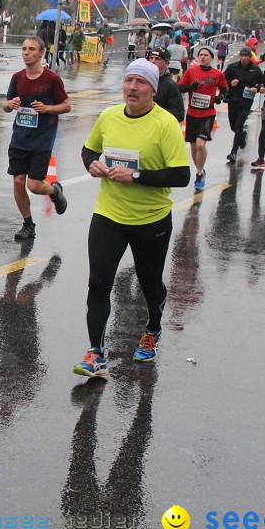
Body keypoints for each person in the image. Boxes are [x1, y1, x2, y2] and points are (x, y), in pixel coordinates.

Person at [74, 59, 190, 377]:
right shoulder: (109, 116)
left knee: (149, 283)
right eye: (129, 81)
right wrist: (92, 164)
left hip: (150, 219)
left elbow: (181, 176)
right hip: (109, 214)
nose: (133, 88)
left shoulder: (164, 124)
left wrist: (135, 176)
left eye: (141, 82)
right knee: (98, 284)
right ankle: (95, 352)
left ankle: (152, 330)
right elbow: (88, 150)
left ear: (153, 90)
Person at [2, 36, 70, 241]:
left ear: (41, 53)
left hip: (42, 138)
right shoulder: (17, 78)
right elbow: (5, 106)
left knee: (34, 185)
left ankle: (55, 190)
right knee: (18, 181)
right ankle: (28, 224)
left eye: (31, 49)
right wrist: (10, 104)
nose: (26, 53)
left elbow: (66, 105)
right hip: (19, 138)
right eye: (24, 49)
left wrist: (48, 108)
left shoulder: (51, 79)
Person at [177, 45, 228, 191]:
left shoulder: (217, 74)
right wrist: (190, 87)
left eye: (206, 55)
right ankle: (201, 169)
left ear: (211, 58)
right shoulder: (191, 71)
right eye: (201, 55)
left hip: (208, 113)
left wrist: (219, 98)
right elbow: (180, 88)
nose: (203, 57)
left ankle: (199, 174)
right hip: (193, 113)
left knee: (200, 144)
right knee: (193, 147)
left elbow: (225, 89)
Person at [222, 47, 263, 162]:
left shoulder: (256, 70)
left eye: (246, 56)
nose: (244, 58)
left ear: (250, 57)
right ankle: (242, 136)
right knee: (233, 126)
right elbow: (222, 80)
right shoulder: (232, 67)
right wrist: (230, 83)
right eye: (242, 56)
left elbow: (262, 83)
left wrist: (257, 89)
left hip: (246, 102)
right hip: (233, 99)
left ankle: (233, 152)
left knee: (239, 125)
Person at [149, 46, 186, 122]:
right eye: (151, 58)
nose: (153, 61)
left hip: (159, 127)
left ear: (167, 63)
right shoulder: (144, 80)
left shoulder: (170, 85)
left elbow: (180, 113)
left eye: (157, 59)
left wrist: (155, 111)